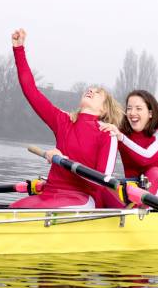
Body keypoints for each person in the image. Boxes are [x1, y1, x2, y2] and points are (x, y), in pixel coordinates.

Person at [10, 29, 123, 208]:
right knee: (12, 209)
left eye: (98, 92)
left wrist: (64, 161)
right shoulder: (63, 121)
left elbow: (102, 182)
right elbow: (30, 90)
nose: (91, 90)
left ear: (104, 109)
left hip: (81, 198)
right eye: (91, 88)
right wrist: (19, 50)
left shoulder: (106, 134)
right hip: (49, 193)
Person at [99, 90, 158, 202]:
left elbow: (145, 158)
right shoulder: (121, 132)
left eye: (138, 108)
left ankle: (139, 212)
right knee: (104, 184)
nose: (132, 113)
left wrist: (122, 138)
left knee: (155, 172)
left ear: (150, 113)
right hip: (133, 197)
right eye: (129, 108)